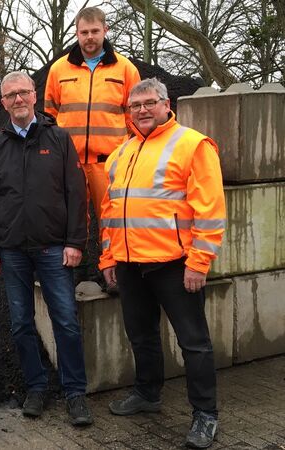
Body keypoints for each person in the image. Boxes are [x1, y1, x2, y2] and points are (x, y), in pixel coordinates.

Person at [99, 78, 226, 449]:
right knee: (141, 335)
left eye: (148, 103)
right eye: (134, 105)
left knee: (194, 343)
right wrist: (108, 257)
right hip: (129, 264)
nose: (141, 110)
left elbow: (211, 210)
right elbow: (110, 211)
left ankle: (205, 415)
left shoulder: (192, 144)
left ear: (165, 103)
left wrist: (199, 263)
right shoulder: (122, 153)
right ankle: (147, 394)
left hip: (175, 264)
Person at [0, 71, 92, 426]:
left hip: (54, 249)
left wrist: (75, 243)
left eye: (23, 93)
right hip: (12, 251)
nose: (18, 100)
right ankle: (37, 387)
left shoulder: (57, 138)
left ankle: (76, 394)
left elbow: (77, 194)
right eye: (10, 96)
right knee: (21, 324)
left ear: (35, 96)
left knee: (66, 322)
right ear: (3, 103)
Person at [45, 7, 140, 290]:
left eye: (94, 31)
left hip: (109, 161)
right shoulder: (59, 69)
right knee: (71, 217)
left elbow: (133, 115)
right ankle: (78, 272)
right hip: (69, 161)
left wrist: (129, 153)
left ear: (105, 30)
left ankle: (110, 272)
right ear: (76, 33)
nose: (89, 37)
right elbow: (50, 114)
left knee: (111, 217)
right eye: (84, 32)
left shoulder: (125, 69)